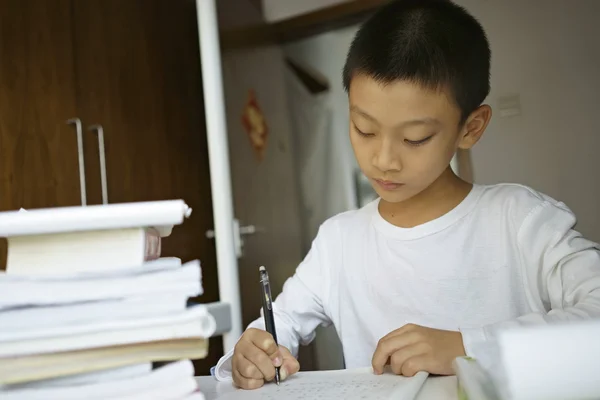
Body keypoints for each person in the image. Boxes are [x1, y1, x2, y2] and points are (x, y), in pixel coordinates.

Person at [213, 0, 600, 389]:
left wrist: (465, 346)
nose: (383, 160)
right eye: (364, 129)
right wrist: (248, 356)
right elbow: (277, 326)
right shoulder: (340, 241)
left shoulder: (519, 221)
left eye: (415, 138)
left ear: (471, 127)